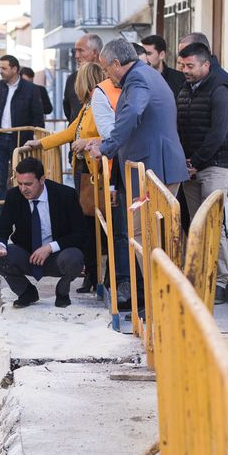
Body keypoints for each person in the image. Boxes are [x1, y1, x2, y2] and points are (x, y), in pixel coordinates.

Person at [81, 37, 186, 311]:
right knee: (151, 235)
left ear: (117, 63)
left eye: (106, 69)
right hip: (155, 168)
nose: (106, 75)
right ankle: (162, 295)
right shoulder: (147, 74)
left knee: (142, 233)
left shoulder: (137, 80)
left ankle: (159, 299)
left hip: (153, 171)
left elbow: (131, 114)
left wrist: (107, 146)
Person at [18, 61, 118, 293]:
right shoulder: (87, 107)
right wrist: (40, 143)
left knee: (95, 226)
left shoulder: (97, 106)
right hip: (84, 173)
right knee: (88, 224)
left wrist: (87, 142)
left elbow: (104, 135)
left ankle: (98, 276)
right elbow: (69, 132)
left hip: (95, 175)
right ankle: (92, 274)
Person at [0, 156, 89, 308]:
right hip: (28, 255)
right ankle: (26, 292)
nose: (23, 189)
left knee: (74, 258)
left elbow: (81, 234)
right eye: (20, 183)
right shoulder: (14, 196)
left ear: (42, 179)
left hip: (58, 256)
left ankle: (62, 291)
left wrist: (50, 247)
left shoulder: (65, 195)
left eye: (28, 184)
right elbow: (2, 228)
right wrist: (0, 244)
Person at [175, 41, 228, 232]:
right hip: (191, 167)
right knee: (197, 229)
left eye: (190, 66)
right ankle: (199, 264)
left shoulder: (221, 87)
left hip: (215, 166)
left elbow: (218, 132)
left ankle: (218, 264)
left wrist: (195, 161)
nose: (184, 70)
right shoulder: (188, 86)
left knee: (212, 229)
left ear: (206, 65)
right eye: (182, 65)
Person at [0, 54, 49, 206]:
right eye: (0, 68)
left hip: (21, 140)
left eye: (4, 68)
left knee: (24, 179)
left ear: (14, 69)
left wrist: (35, 140)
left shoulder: (30, 89)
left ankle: (22, 212)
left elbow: (37, 116)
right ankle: (0, 216)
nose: (0, 71)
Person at [63, 33, 103, 123]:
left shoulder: (110, 78)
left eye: (81, 51)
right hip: (75, 133)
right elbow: (68, 110)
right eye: (75, 51)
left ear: (95, 52)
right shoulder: (72, 79)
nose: (76, 56)